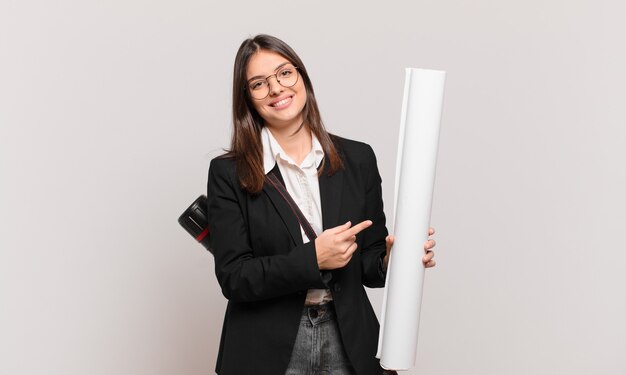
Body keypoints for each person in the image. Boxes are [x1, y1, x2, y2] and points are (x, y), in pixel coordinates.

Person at [206, 34, 437, 375]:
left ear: (302, 77)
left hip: (348, 337)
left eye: (284, 73)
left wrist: (394, 259)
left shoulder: (357, 158)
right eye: (258, 83)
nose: (276, 89)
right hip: (266, 347)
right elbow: (234, 277)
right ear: (248, 99)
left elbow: (368, 265)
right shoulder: (229, 172)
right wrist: (312, 258)